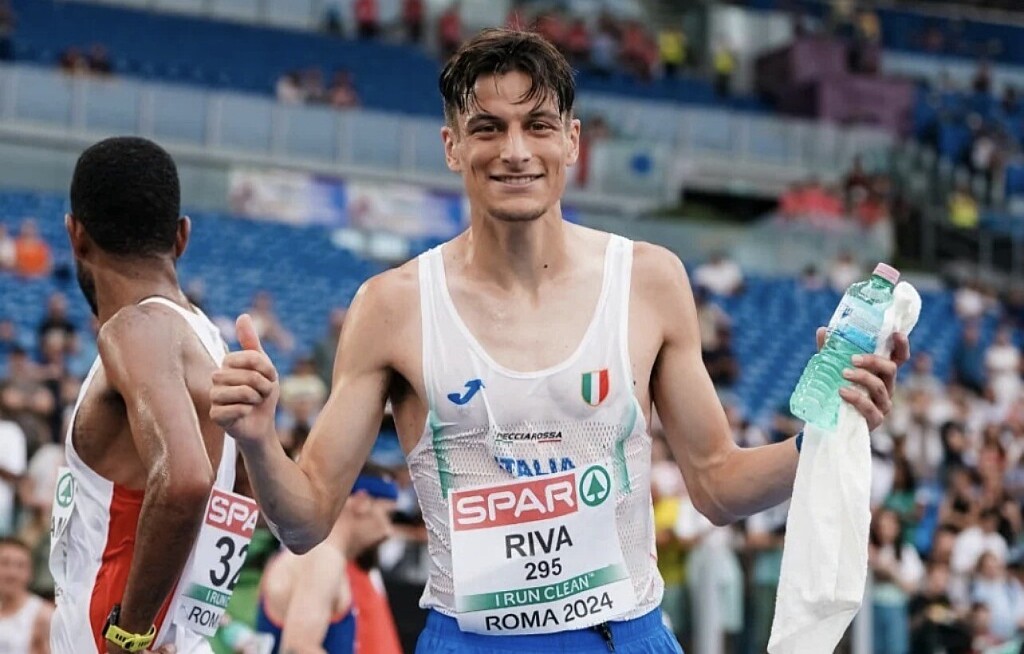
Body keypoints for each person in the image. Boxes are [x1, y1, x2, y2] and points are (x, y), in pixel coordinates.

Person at [210, 28, 910, 653]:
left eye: (538, 125)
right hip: (472, 643)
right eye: (488, 128)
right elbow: (306, 521)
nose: (515, 151)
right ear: (453, 146)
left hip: (628, 635)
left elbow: (718, 486)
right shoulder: (392, 307)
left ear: (572, 140)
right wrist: (259, 441)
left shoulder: (648, 281)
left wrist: (826, 435)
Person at [50, 137, 251, 654]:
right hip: (182, 638)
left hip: (113, 640)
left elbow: (185, 481)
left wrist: (130, 636)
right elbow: (243, 496)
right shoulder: (211, 343)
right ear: (182, 236)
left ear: (76, 235)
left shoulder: (135, 330)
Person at [255, 465, 401, 653]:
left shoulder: (311, 555)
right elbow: (297, 648)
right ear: (361, 503)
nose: (388, 531)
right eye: (388, 515)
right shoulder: (324, 558)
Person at [0, 537, 53, 653]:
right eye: (5, 563)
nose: (12, 573)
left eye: (20, 566)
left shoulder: (43, 615)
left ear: (30, 572)